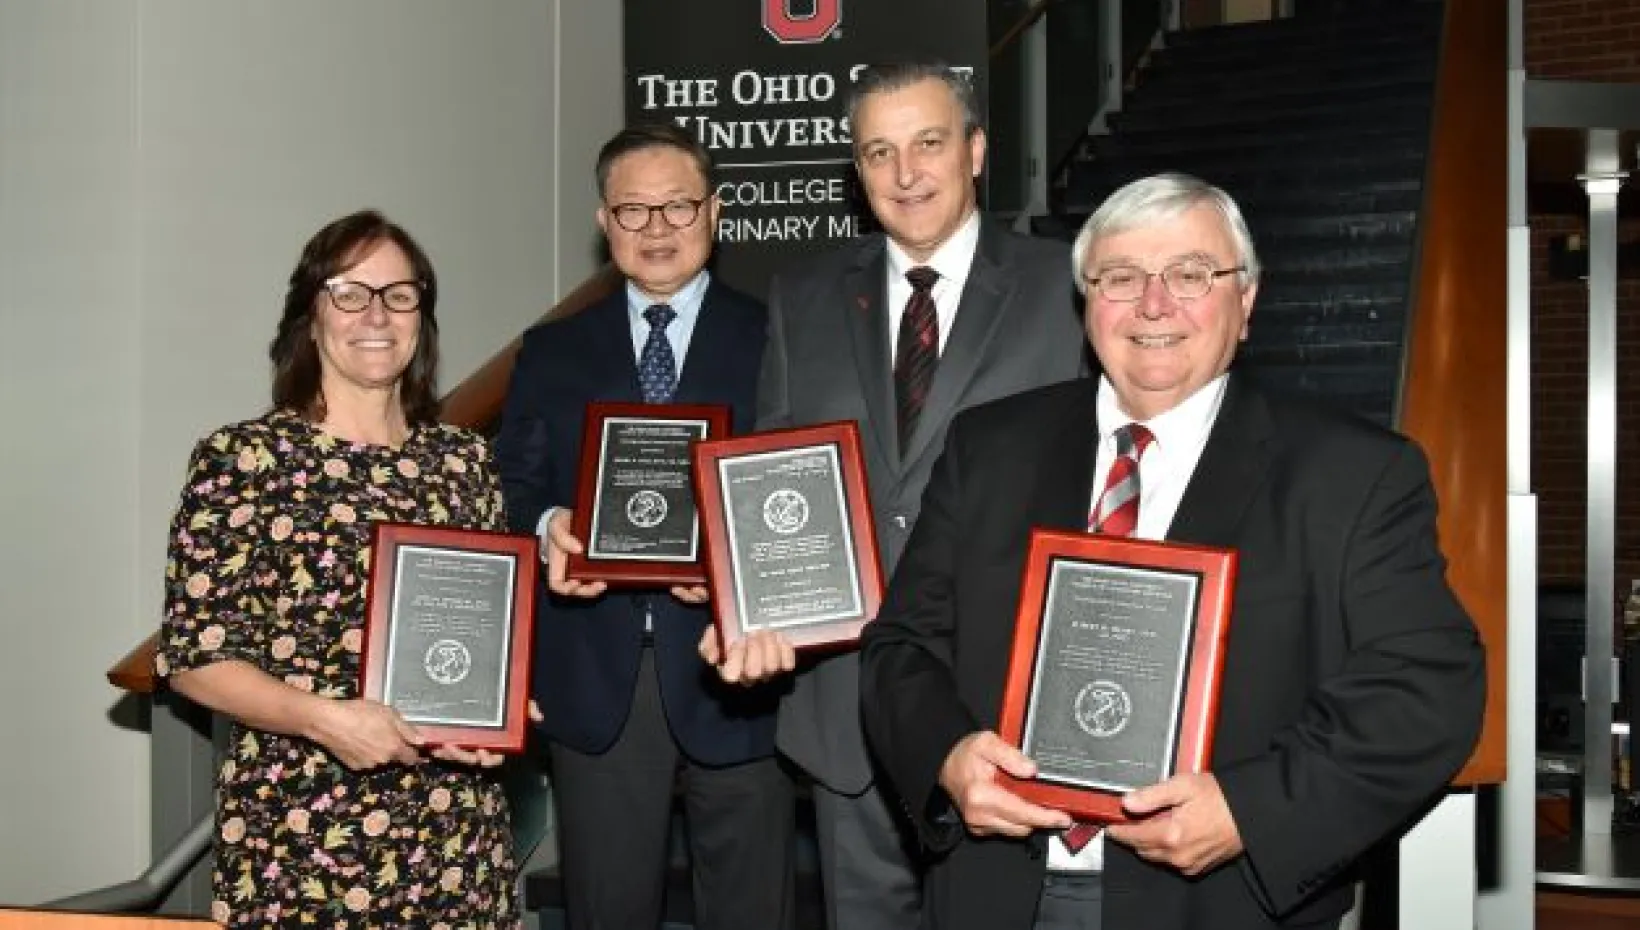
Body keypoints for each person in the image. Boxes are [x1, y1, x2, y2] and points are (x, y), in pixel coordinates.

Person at [857, 172, 1488, 930]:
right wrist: (947, 759)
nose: (1155, 305)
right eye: (1121, 277)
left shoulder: (1351, 474)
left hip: (1220, 906)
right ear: (1086, 302)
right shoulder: (989, 447)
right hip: (997, 894)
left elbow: (1425, 690)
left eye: (1192, 274)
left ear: (1246, 301)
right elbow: (901, 647)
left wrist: (1249, 810)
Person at [701, 61, 1088, 930]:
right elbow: (774, 470)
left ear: (977, 151)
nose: (906, 173)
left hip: (1002, 716)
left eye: (927, 144)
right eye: (879, 152)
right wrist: (746, 602)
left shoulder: (1067, 288)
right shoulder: (802, 298)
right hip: (846, 711)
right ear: (856, 169)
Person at [156, 210, 520, 928]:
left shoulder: (464, 463)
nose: (376, 315)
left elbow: (486, 630)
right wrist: (325, 721)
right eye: (349, 292)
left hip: (455, 832)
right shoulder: (245, 461)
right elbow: (194, 659)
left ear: (423, 314)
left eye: (400, 294)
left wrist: (502, 705)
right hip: (301, 829)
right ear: (310, 313)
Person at [495, 124, 794, 930]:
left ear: (717, 212)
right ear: (604, 222)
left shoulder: (781, 338)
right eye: (634, 210)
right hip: (598, 678)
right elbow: (515, 485)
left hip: (740, 674)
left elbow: (803, 496)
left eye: (677, 206)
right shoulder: (552, 350)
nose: (657, 228)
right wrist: (555, 525)